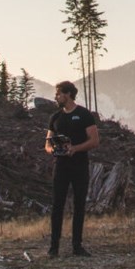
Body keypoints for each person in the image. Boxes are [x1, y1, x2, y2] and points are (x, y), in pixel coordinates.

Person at [44, 80, 100, 258]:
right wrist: (53, 150)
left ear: (68, 94)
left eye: (59, 94)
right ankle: (54, 247)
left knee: (79, 205)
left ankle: (77, 246)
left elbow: (94, 140)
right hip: (61, 166)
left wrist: (75, 148)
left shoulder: (84, 115)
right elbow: (47, 143)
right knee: (57, 205)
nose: (56, 97)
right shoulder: (55, 117)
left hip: (79, 165)